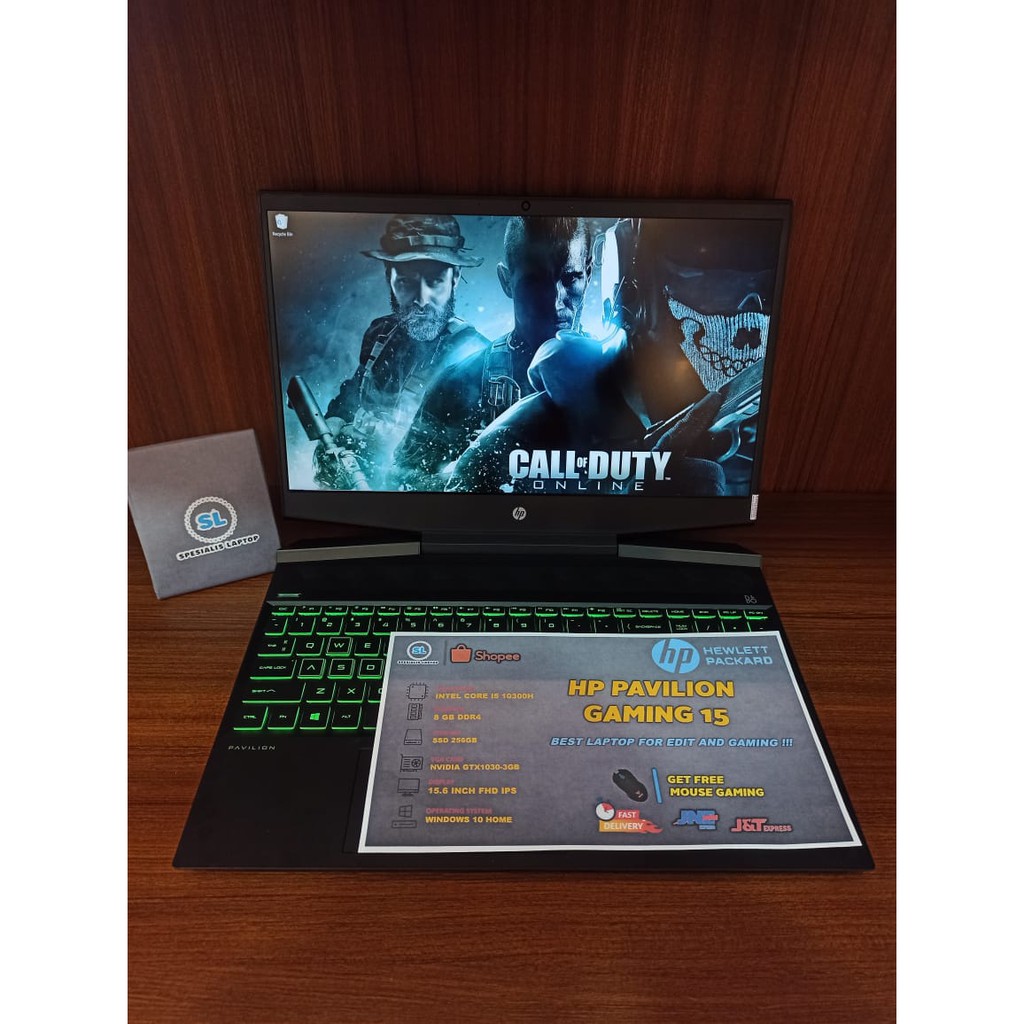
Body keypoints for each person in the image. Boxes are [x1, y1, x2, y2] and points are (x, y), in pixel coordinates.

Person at [443, 216, 778, 496]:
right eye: (709, 284)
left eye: (571, 278)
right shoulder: (552, 395)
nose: (749, 313)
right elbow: (436, 494)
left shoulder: (761, 403)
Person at [390, 216, 592, 490]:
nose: (556, 302)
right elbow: (401, 480)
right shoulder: (460, 383)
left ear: (588, 273)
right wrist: (469, 479)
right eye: (535, 281)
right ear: (506, 281)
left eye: (570, 278)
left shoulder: (617, 378)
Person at [313, 214, 490, 489]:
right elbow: (356, 389)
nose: (421, 299)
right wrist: (335, 422)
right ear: (389, 277)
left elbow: (472, 463)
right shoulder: (380, 333)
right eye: (406, 282)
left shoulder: (478, 358)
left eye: (435, 281)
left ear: (455, 278)